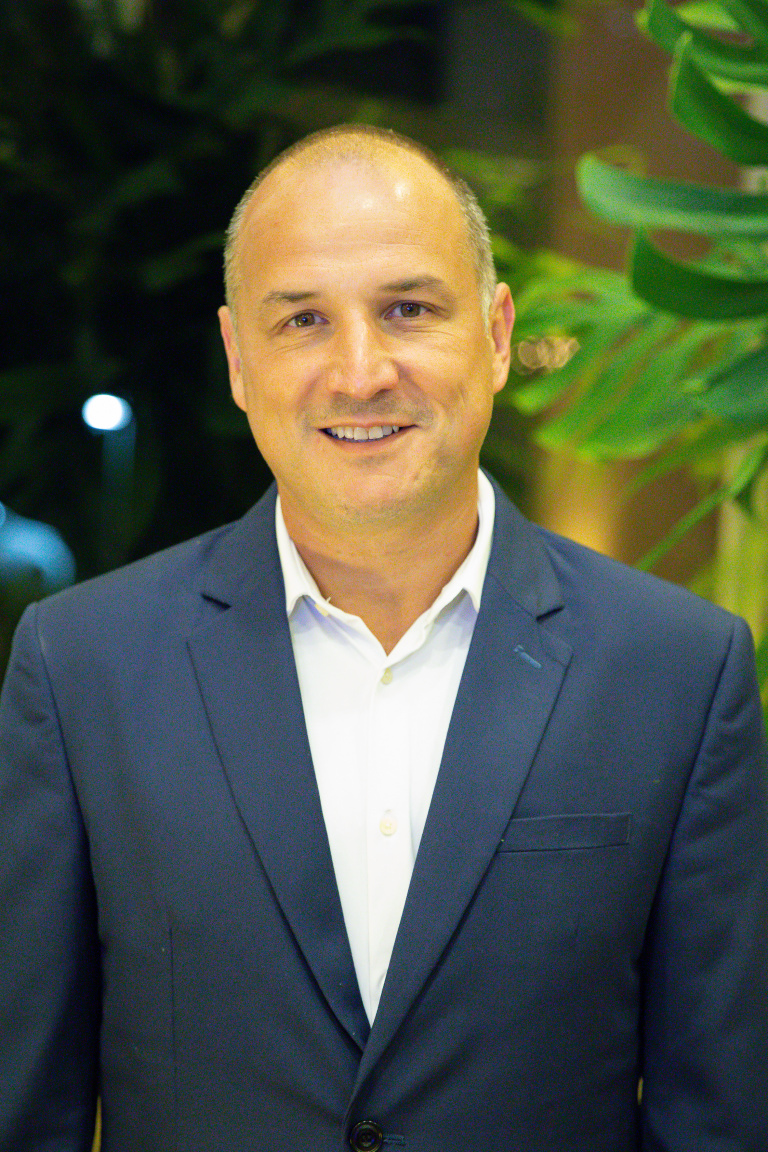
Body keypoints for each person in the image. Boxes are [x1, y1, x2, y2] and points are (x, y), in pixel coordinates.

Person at [1, 124, 766, 1152]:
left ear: (497, 334)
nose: (360, 373)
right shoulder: (81, 668)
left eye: (408, 309)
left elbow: (719, 1115)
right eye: (303, 320)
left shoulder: (679, 672)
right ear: (238, 359)